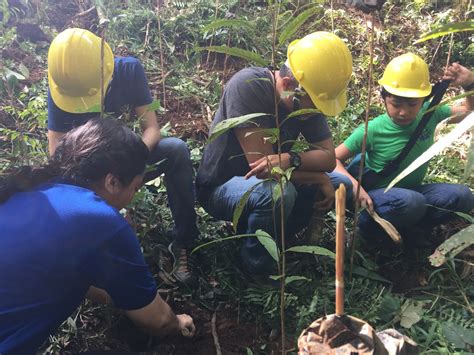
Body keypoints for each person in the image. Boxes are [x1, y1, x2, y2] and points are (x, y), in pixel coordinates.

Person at [0, 119, 195, 354]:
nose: (133, 195)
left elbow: (63, 273)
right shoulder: (98, 218)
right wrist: (177, 322)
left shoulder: (30, 194)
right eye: (135, 187)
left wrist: (124, 298)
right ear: (112, 182)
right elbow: (158, 322)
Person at [46, 28, 198, 286]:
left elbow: (151, 128)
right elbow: (57, 154)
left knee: (176, 151)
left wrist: (129, 164)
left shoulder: (129, 71)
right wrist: (103, 193)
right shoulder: (65, 86)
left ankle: (184, 239)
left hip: (130, 158)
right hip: (91, 175)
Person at [196, 32, 353, 275]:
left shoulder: (306, 98)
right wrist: (318, 177)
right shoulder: (249, 87)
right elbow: (264, 169)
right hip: (223, 186)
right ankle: (257, 266)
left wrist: (292, 158)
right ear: (289, 86)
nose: (314, 115)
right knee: (279, 193)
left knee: (341, 182)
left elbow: (328, 158)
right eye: (313, 107)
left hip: (273, 178)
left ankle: (280, 238)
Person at [332, 53, 474, 247]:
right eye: (396, 104)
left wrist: (469, 84)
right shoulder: (372, 130)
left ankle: (412, 230)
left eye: (412, 104)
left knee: (462, 195)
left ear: (424, 99)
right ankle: (365, 233)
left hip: (410, 193)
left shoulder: (431, 114)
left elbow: (469, 112)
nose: (403, 112)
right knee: (411, 202)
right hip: (376, 198)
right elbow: (332, 159)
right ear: (384, 99)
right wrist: (356, 188)